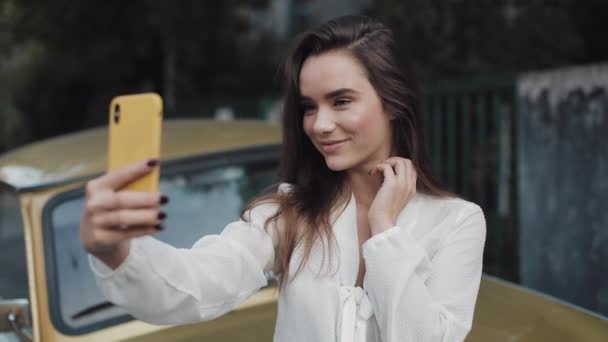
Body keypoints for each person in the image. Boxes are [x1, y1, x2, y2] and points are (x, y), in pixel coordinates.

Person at [81, 15, 486, 342]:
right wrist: (116, 252)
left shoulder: (456, 222)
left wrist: (384, 232)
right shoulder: (289, 212)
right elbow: (196, 284)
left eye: (341, 101)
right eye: (309, 107)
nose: (320, 124)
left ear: (394, 103)